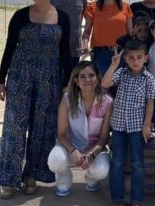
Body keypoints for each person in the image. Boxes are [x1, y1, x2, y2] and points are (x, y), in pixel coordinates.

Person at [0, 0, 72, 199]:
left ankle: (31, 176)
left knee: (43, 128)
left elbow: (65, 53)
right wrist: (1, 80)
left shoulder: (63, 18)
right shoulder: (20, 16)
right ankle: (9, 179)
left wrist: (68, 83)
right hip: (20, 77)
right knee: (15, 127)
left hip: (50, 79)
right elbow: (9, 48)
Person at [102, 40, 155, 206]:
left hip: (136, 128)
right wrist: (114, 65)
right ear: (126, 58)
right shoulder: (121, 73)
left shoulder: (149, 78)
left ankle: (137, 201)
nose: (135, 61)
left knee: (137, 164)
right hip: (118, 125)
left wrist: (147, 125)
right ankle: (118, 200)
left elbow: (150, 103)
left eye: (139, 57)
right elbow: (105, 84)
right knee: (117, 162)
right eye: (131, 58)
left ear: (145, 58)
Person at [47, 61, 113, 197]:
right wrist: (73, 151)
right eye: (82, 76)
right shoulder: (67, 99)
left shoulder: (107, 102)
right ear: (76, 80)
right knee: (55, 160)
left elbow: (104, 137)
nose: (88, 80)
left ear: (98, 78)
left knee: (102, 170)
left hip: (95, 149)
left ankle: (91, 177)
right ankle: (63, 180)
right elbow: (61, 134)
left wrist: (91, 155)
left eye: (91, 75)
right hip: (70, 147)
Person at [81, 0, 133, 75]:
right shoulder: (92, 7)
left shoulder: (125, 7)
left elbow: (130, 33)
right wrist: (85, 45)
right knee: (102, 88)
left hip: (122, 54)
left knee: (119, 88)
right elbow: (86, 32)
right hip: (101, 54)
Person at [50, 0, 88, 67]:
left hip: (74, 47)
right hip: (55, 47)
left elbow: (82, 18)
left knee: (71, 79)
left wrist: (84, 43)